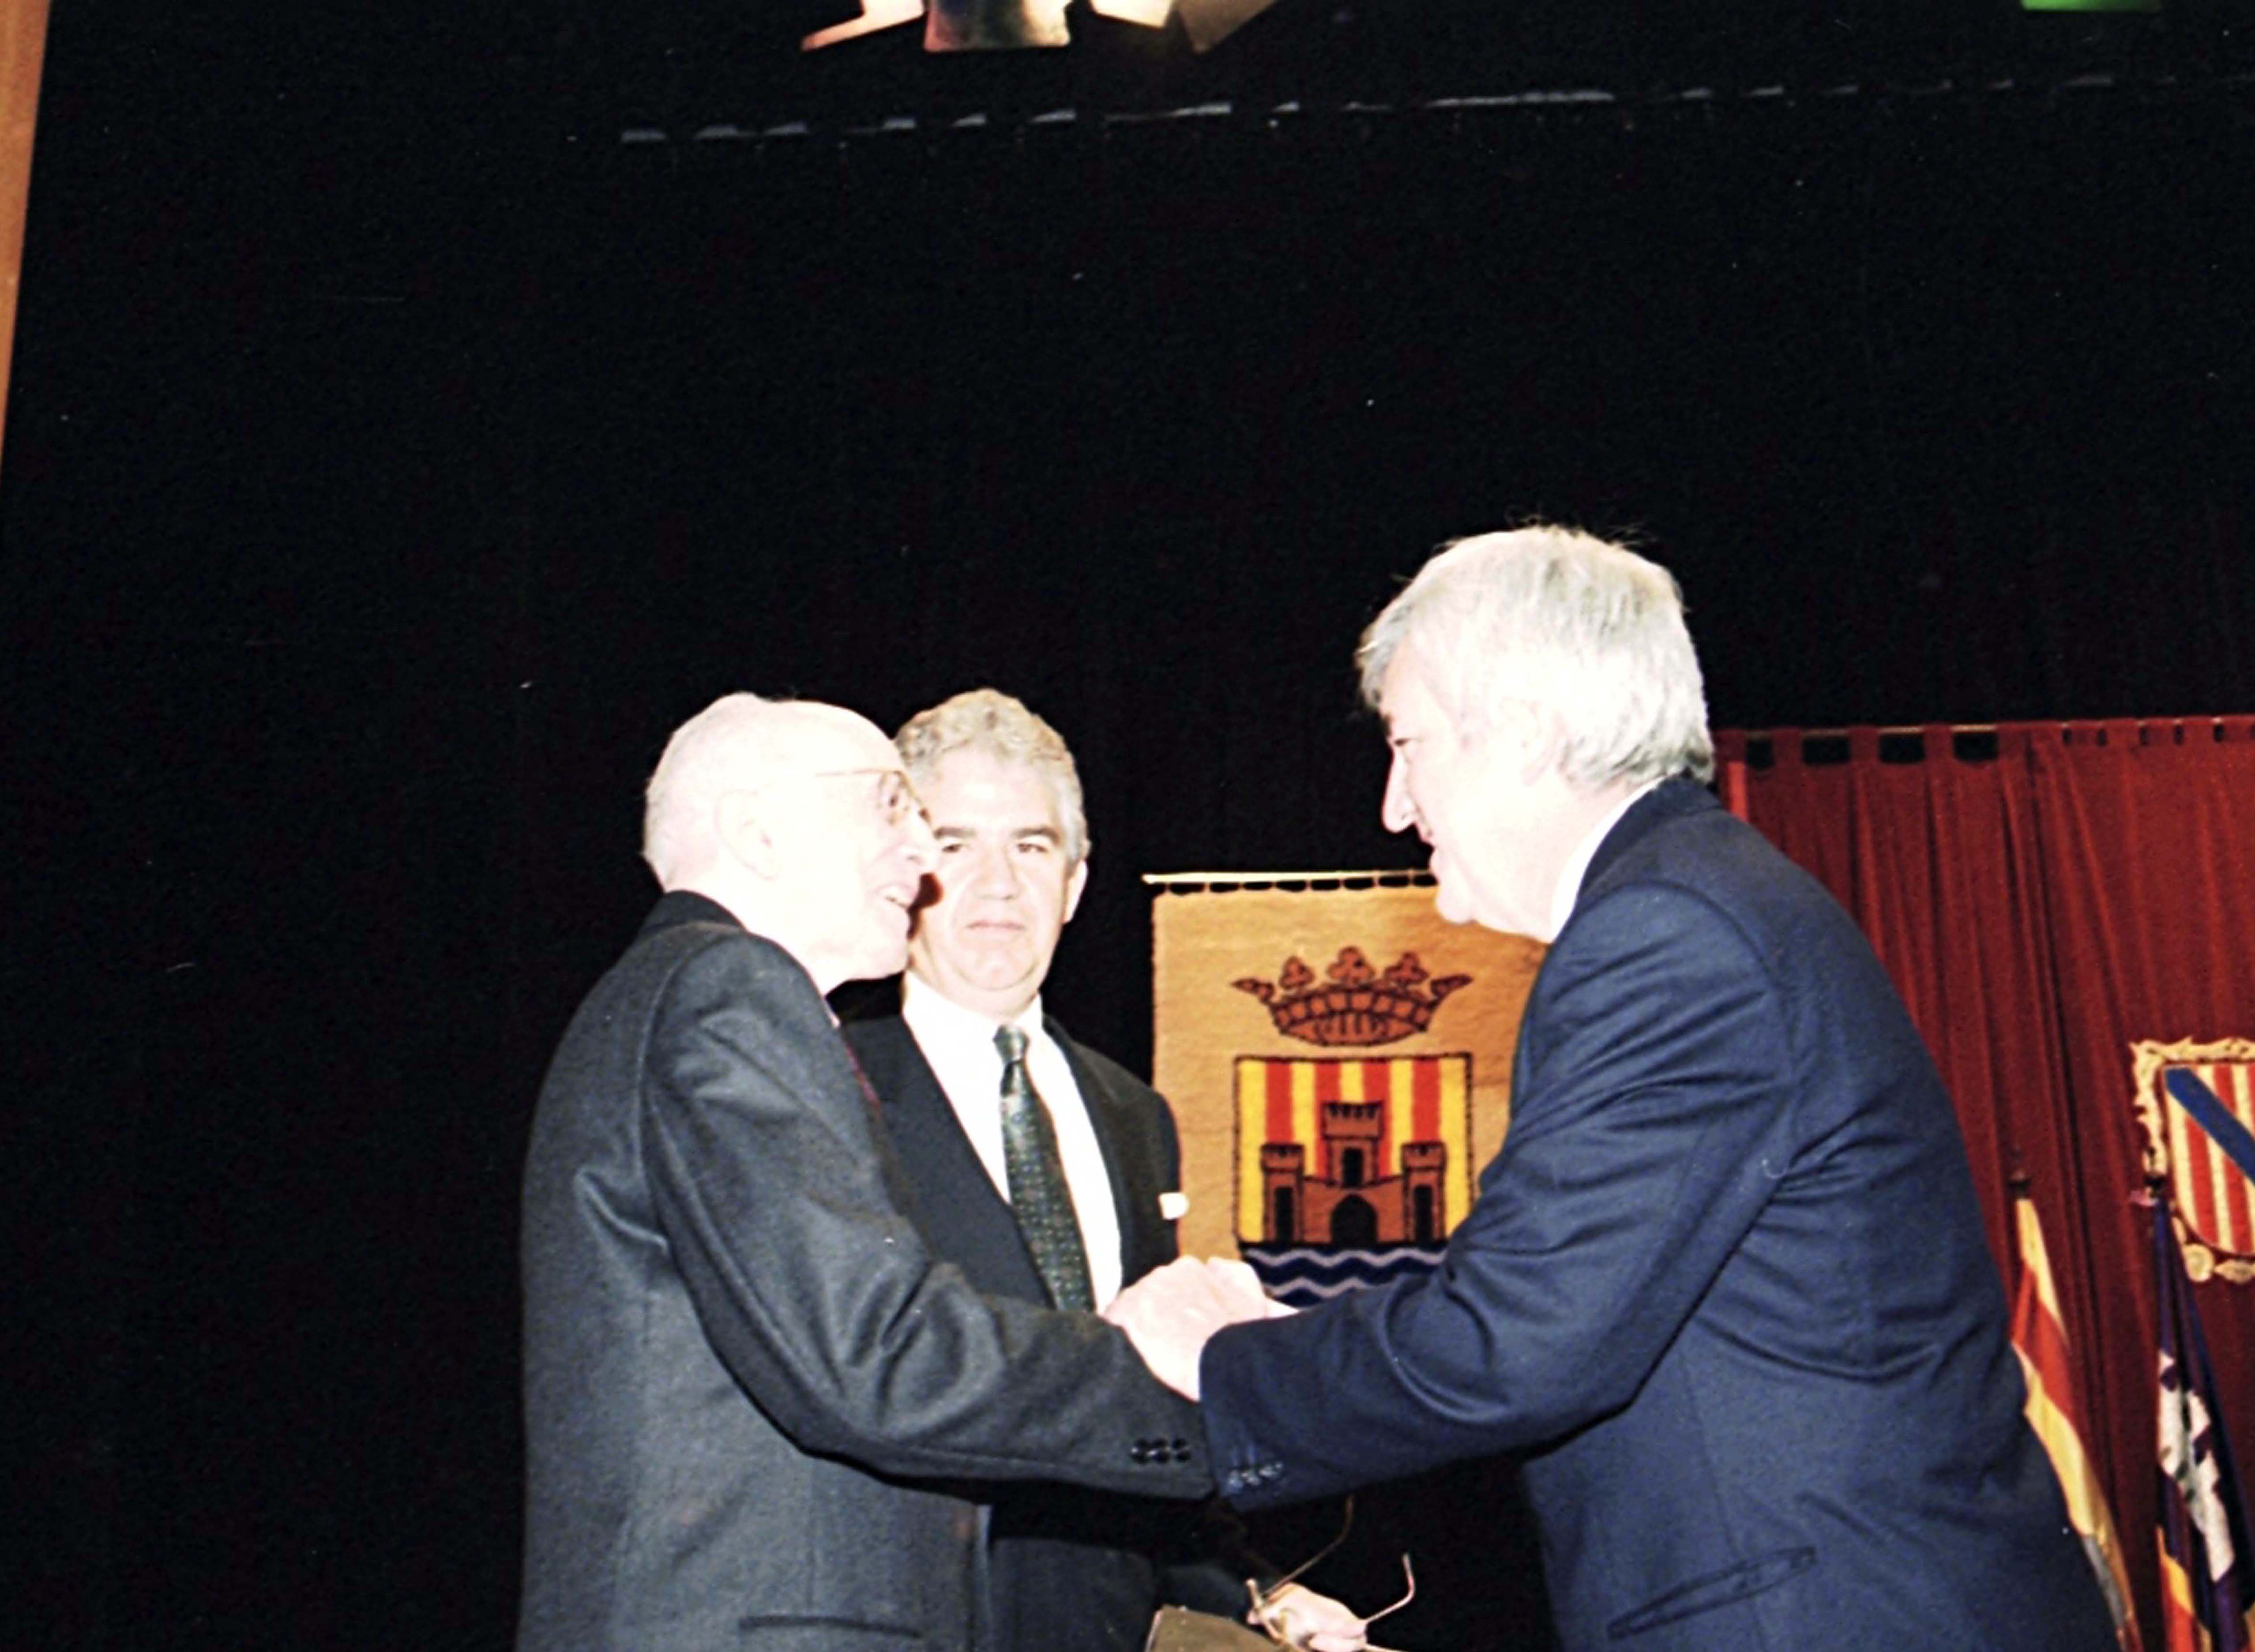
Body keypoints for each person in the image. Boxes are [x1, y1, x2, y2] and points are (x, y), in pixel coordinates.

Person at [1107, 527, 2117, 1651]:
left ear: (1526, 732)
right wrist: (1291, 1338)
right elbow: (1567, 1302)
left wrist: (1217, 1357)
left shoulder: (1667, 931)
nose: (1395, 805)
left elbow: (1517, 1342)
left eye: (1409, 745)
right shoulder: (1700, 897)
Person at [519, 693, 1225, 1652]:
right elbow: (876, 1355)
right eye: (892, 808)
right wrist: (1167, 1365)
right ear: (758, 833)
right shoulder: (733, 990)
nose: (924, 857)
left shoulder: (671, 992)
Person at [845, 688, 1364, 1652]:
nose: (999, 885)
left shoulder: (1134, 1114)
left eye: (1031, 846)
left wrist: (1259, 1593)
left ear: (1075, 884)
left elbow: (1145, 1415)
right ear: (906, 869)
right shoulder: (832, 1090)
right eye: (956, 845)